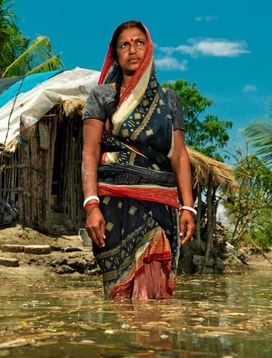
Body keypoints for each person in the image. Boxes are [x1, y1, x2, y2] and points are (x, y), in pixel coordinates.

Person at [81, 20, 196, 300]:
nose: (132, 49)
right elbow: (90, 151)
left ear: (149, 49)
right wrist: (91, 205)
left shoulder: (169, 101)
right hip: (113, 203)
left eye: (139, 42)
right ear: (116, 55)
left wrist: (188, 207)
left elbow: (179, 155)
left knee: (153, 285)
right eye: (124, 44)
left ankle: (150, 340)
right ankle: (128, 342)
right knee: (120, 291)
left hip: (160, 202)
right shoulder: (102, 96)